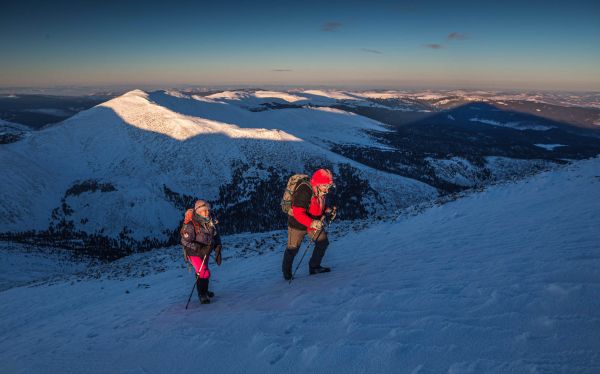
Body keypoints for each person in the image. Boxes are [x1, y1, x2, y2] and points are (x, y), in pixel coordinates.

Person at [282, 168, 336, 281]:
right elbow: (298, 212)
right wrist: (312, 223)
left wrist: (327, 210)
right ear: (317, 183)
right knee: (293, 249)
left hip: (314, 223)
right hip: (297, 224)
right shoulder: (304, 190)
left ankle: (314, 267)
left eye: (328, 186)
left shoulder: (320, 190)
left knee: (323, 242)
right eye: (325, 186)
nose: (327, 189)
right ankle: (287, 274)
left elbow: (318, 206)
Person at [180, 199, 222, 304]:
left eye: (208, 210)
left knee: (203, 271)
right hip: (193, 252)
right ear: (198, 211)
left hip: (205, 251)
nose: (207, 212)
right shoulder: (191, 224)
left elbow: (216, 235)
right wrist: (199, 248)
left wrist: (218, 247)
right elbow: (184, 241)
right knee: (204, 272)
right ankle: (202, 295)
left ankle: (204, 291)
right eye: (204, 210)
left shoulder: (210, 221)